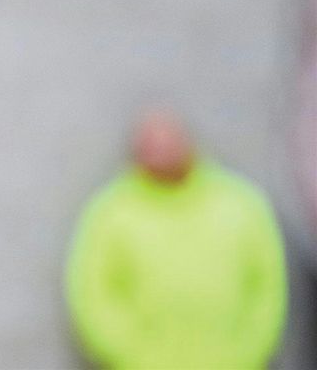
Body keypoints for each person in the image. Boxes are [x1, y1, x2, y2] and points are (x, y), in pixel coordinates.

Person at [65, 108, 288, 369]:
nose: (162, 152)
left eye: (168, 142)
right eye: (152, 144)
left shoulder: (240, 203)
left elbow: (267, 288)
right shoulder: (111, 212)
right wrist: (134, 357)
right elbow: (92, 295)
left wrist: (246, 354)